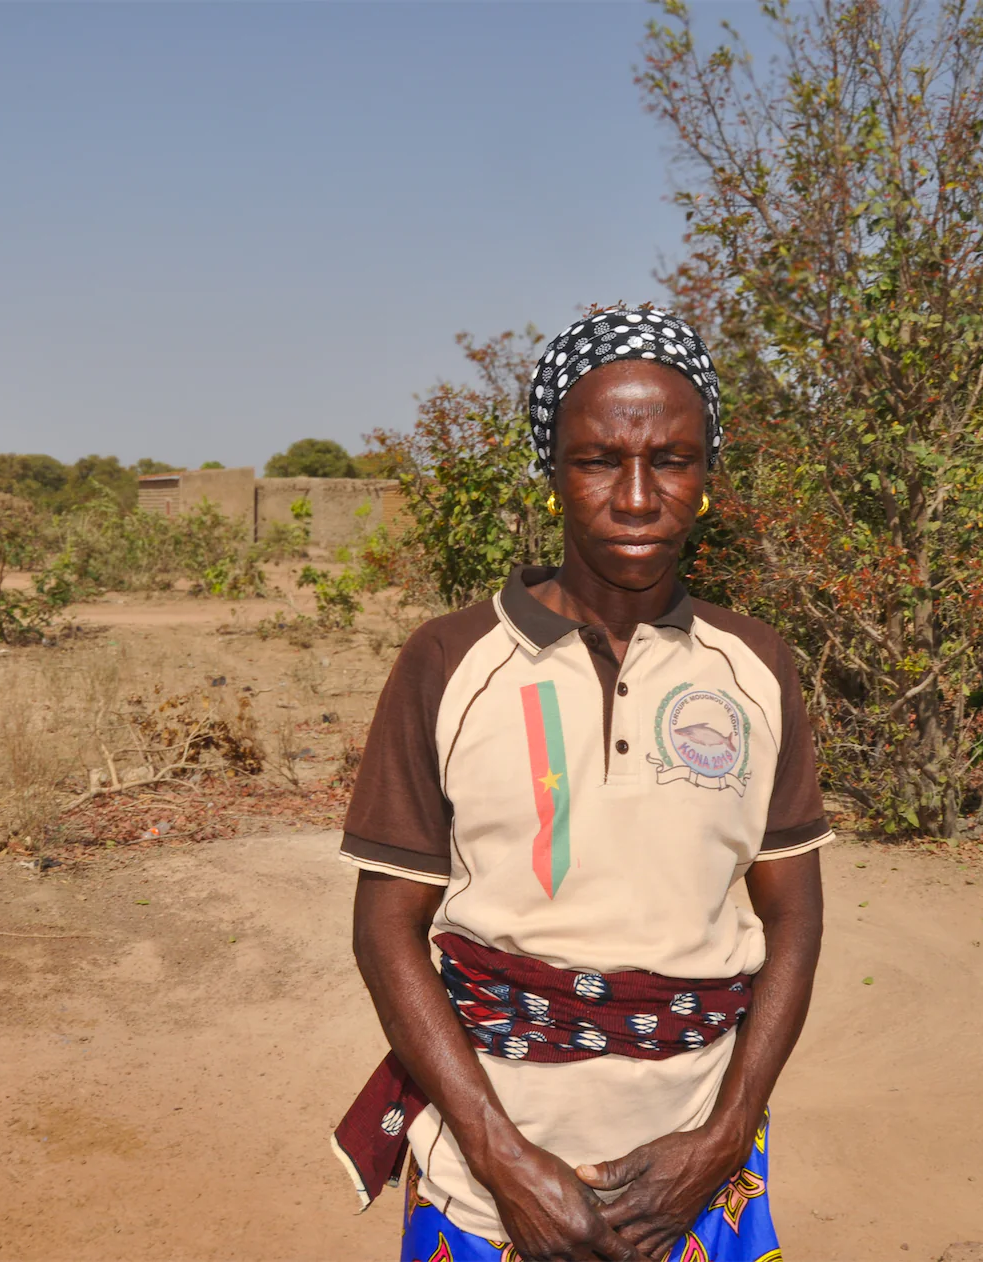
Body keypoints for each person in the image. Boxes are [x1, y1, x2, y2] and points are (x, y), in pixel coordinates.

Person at [334, 307, 830, 1262]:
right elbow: (385, 928)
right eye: (599, 460)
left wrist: (723, 1139)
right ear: (553, 471)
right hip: (485, 1186)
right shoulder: (449, 661)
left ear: (707, 475)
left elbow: (794, 918)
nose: (637, 497)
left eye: (672, 460)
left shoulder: (755, 666)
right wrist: (504, 1162)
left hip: (699, 1177)